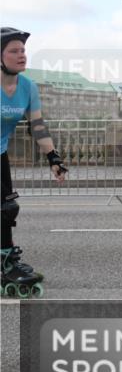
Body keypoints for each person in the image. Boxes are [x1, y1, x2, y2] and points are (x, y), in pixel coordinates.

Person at [1, 27, 68, 298]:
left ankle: (6, 260)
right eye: (14, 51)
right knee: (5, 206)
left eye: (23, 51)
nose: (21, 56)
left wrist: (54, 158)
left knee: (6, 209)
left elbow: (37, 126)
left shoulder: (27, 87)